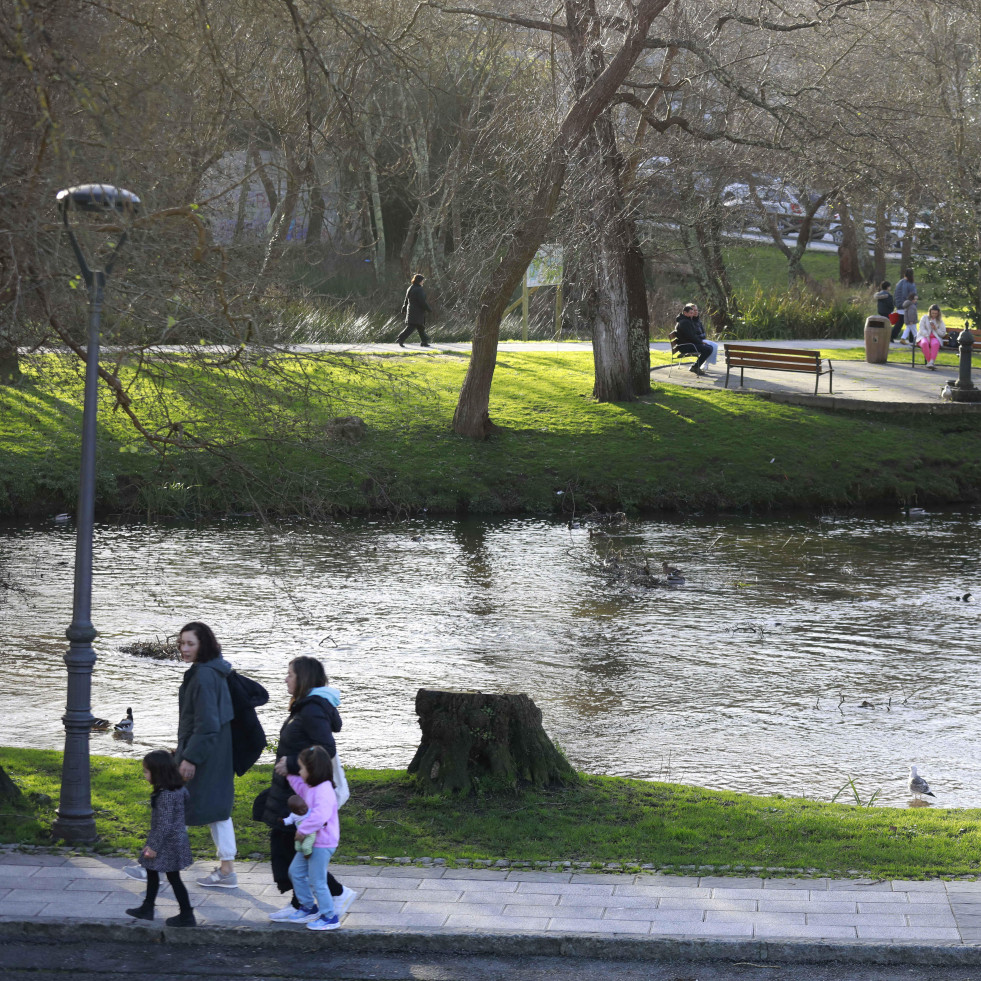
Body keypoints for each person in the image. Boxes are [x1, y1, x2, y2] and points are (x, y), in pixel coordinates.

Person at [261, 655, 356, 919]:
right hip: (293, 787)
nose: (286, 678)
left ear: (302, 677)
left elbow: (326, 749)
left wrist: (291, 763)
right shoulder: (305, 706)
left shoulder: (312, 708)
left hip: (302, 789)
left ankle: (330, 896)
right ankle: (303, 903)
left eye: (290, 674)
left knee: (290, 844)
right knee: (286, 842)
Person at [176, 621, 238, 889]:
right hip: (218, 751)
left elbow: (207, 723)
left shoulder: (203, 675)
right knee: (217, 810)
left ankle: (151, 861)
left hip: (204, 753)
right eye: (181, 643)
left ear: (204, 644)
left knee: (174, 804)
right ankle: (227, 870)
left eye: (190, 643)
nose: (184, 649)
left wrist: (190, 757)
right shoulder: (214, 671)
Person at [270, 745, 341, 931]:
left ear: (313, 769)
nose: (299, 770)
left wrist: (303, 830)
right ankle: (309, 907)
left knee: (318, 881)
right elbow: (300, 788)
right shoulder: (312, 786)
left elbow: (320, 815)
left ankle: (329, 916)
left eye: (301, 768)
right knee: (296, 872)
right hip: (311, 842)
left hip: (322, 843)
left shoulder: (324, 790)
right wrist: (288, 774)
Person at [125, 750, 196, 927]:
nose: (144, 774)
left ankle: (186, 914)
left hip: (167, 842)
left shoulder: (165, 795)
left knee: (173, 878)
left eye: (147, 771)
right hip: (175, 839)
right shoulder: (178, 788)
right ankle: (147, 907)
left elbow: (164, 825)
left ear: (158, 772)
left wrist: (153, 847)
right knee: (153, 871)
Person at [674, 302, 717, 376]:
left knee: (709, 347)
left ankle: (696, 366)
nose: (692, 315)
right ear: (685, 313)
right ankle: (695, 367)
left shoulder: (686, 320)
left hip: (688, 344)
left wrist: (700, 342)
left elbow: (692, 335)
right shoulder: (684, 322)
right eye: (690, 313)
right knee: (708, 349)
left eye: (692, 313)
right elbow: (690, 336)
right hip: (686, 346)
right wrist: (701, 342)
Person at [397, 273, 432, 348]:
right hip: (417, 311)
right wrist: (428, 309)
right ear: (419, 281)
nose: (423, 282)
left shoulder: (410, 288)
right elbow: (422, 301)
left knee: (420, 327)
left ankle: (424, 342)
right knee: (411, 327)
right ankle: (401, 338)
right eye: (422, 281)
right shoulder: (419, 289)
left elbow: (406, 300)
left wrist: (403, 308)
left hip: (411, 310)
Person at [916, 304, 947, 370]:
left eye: (936, 313)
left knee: (935, 344)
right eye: (932, 313)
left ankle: (931, 362)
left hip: (935, 337)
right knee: (924, 343)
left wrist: (936, 329)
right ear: (929, 312)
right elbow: (921, 329)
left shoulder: (940, 321)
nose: (934, 315)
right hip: (924, 336)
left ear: (938, 313)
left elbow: (943, 333)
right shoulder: (924, 318)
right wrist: (927, 336)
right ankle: (930, 362)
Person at [893, 268, 918, 344]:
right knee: (911, 321)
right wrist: (912, 303)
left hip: (900, 304)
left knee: (900, 322)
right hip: (907, 305)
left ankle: (893, 336)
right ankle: (912, 338)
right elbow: (909, 294)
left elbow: (896, 294)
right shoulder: (910, 283)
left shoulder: (900, 282)